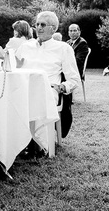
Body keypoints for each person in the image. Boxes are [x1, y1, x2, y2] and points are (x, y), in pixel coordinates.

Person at [15, 11, 80, 151]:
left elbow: (74, 79)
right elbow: (13, 67)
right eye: (37, 24)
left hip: (48, 89)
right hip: (23, 87)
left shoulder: (63, 48)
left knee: (38, 97)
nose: (38, 28)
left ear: (53, 28)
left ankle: (38, 144)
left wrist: (61, 87)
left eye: (43, 25)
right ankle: (14, 143)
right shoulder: (25, 46)